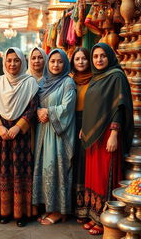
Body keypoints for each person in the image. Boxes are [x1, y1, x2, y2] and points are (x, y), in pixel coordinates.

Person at [81, 43, 134, 235]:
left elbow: (119, 107)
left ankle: (105, 219)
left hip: (108, 137)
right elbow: (93, 108)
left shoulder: (116, 77)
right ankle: (94, 215)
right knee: (94, 177)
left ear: (110, 57)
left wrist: (114, 133)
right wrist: (85, 129)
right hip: (93, 137)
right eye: (95, 56)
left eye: (103, 56)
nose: (99, 60)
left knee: (105, 177)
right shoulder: (95, 77)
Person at [0, 47, 39, 227]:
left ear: (22, 62)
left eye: (16, 60)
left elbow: (33, 107)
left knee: (21, 172)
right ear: (4, 62)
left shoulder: (30, 82)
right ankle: (5, 212)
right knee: (3, 172)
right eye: (9, 60)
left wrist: (19, 127)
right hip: (1, 136)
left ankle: (22, 213)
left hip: (21, 138)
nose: (12, 64)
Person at [32, 48, 76, 225]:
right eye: (52, 61)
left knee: (57, 169)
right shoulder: (42, 82)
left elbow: (67, 108)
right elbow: (34, 104)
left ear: (65, 63)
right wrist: (37, 111)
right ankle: (49, 207)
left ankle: (60, 211)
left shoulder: (68, 83)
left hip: (59, 134)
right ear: (47, 63)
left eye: (59, 61)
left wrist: (48, 112)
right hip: (43, 133)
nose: (56, 64)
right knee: (45, 169)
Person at [70, 47, 92, 224]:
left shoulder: (95, 80)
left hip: (87, 123)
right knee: (72, 162)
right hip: (71, 123)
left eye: (84, 58)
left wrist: (87, 125)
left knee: (84, 165)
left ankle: (84, 209)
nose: (81, 62)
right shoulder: (69, 80)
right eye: (77, 59)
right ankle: (71, 207)